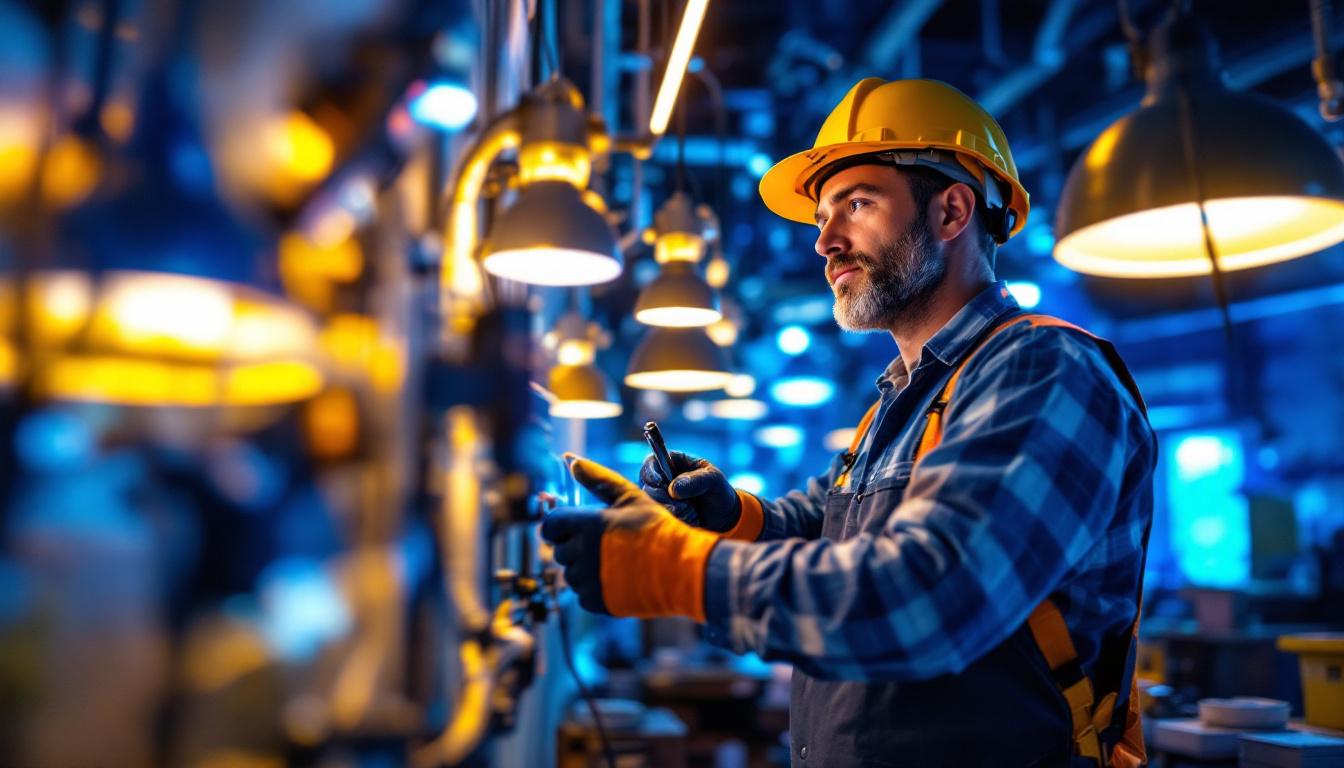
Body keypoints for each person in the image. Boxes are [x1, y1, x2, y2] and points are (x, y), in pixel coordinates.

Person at [543, 78, 1156, 767]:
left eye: (856, 205)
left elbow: (933, 594)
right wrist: (724, 518)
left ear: (953, 210)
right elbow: (819, 525)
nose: (825, 243)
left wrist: (679, 574)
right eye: (821, 219)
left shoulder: (1045, 369)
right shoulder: (897, 404)